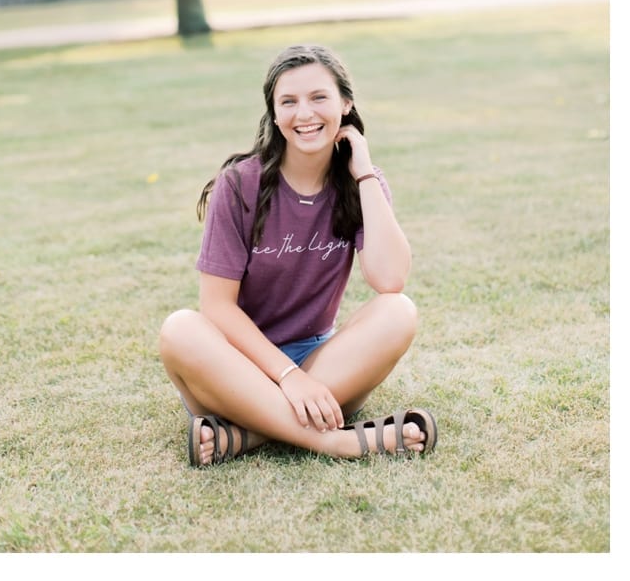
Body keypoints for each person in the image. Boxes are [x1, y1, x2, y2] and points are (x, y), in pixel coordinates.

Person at [157, 43, 435, 467]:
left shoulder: (362, 185)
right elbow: (216, 307)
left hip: (320, 366)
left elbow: (390, 279)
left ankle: (246, 434)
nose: (304, 114)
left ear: (346, 104)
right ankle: (337, 442)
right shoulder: (239, 185)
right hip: (235, 366)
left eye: (318, 97)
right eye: (288, 102)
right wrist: (288, 378)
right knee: (180, 328)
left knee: (399, 311)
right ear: (273, 113)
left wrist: (364, 172)